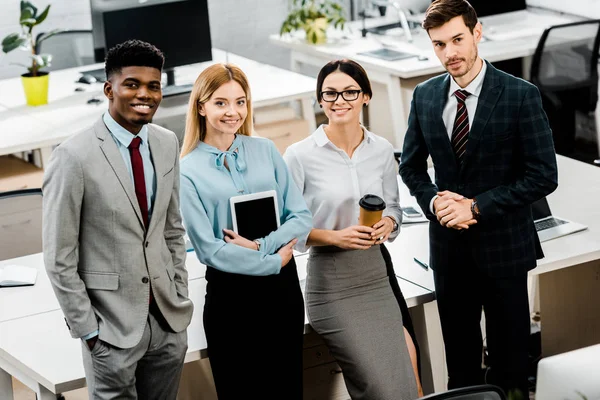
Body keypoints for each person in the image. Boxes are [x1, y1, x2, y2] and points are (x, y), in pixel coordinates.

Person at [399, 0, 559, 396]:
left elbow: (543, 175)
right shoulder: (425, 96)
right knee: (461, 368)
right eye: (439, 44)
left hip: (504, 248)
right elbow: (411, 168)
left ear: (477, 33)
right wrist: (434, 201)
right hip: (450, 252)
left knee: (510, 367)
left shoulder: (520, 95)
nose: (450, 53)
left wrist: (476, 206)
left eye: (457, 39)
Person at [43, 39, 193, 399]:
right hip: (110, 330)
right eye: (132, 84)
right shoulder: (73, 157)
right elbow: (58, 256)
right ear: (109, 89)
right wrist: (89, 331)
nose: (145, 94)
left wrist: (179, 292)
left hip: (167, 322)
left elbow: (171, 229)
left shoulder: (166, 141)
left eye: (153, 86)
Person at [284, 59, 421, 400]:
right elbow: (286, 227)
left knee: (402, 383)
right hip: (332, 285)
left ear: (366, 97)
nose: (339, 100)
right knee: (377, 385)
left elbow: (393, 207)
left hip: (375, 278)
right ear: (320, 100)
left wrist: (389, 223)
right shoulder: (299, 155)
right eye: (329, 93)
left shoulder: (381, 149)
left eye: (349, 92)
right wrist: (334, 237)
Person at [179, 63, 312, 400]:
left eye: (240, 102)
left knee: (287, 389)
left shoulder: (265, 149)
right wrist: (270, 260)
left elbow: (299, 217)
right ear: (201, 106)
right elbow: (208, 249)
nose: (233, 112)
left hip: (282, 293)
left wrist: (259, 246)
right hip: (232, 297)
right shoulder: (186, 171)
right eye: (221, 102)